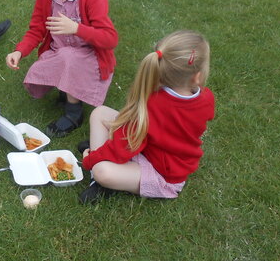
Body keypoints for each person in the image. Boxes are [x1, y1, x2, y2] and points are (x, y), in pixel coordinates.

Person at [78, 30, 215, 204]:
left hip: (163, 174)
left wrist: (90, 160)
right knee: (100, 113)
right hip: (146, 149)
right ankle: (101, 155)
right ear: (197, 77)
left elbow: (124, 147)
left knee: (101, 171)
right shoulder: (207, 98)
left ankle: (98, 181)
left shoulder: (153, 104)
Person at [5, 0, 117, 137]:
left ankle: (74, 113)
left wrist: (76, 28)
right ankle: (67, 90)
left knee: (70, 57)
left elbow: (110, 39)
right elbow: (36, 30)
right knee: (62, 57)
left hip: (89, 57)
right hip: (60, 52)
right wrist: (19, 51)